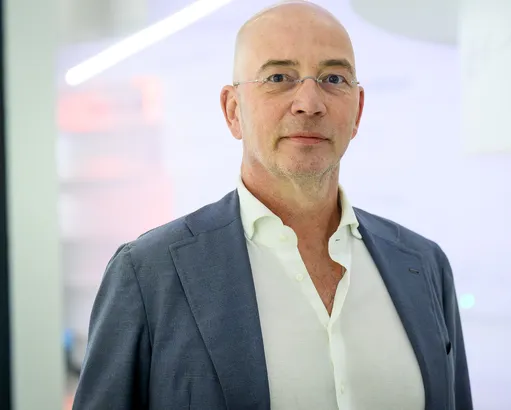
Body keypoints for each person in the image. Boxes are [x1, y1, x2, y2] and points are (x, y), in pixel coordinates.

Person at [72, 1, 472, 409]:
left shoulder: (424, 266)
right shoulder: (148, 274)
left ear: (358, 111)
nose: (309, 103)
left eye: (334, 78)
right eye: (279, 77)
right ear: (233, 111)